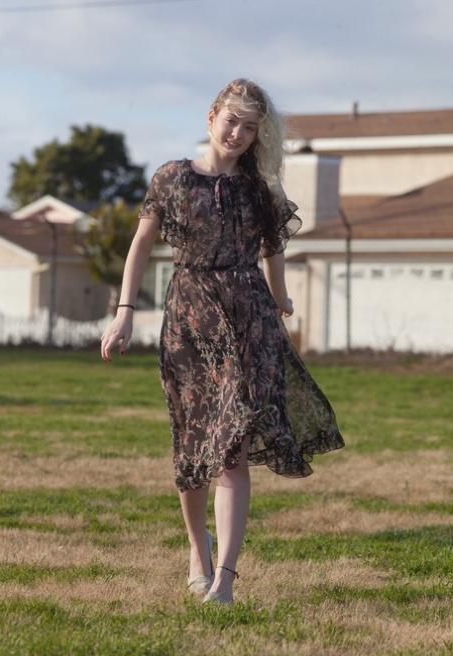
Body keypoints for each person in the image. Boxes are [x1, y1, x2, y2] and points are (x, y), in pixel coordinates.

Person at [101, 78, 344, 604]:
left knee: (232, 446)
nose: (237, 133)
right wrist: (123, 313)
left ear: (258, 134)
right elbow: (141, 244)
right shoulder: (171, 178)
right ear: (211, 116)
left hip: (248, 317)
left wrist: (281, 299)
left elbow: (273, 248)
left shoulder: (259, 188)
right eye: (231, 120)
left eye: (250, 126)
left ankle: (226, 581)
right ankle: (198, 549)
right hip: (188, 319)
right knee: (194, 448)